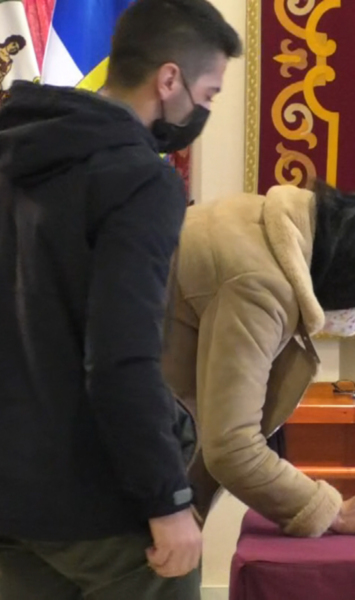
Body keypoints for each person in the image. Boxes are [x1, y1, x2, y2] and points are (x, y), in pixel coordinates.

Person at [0, 1, 241, 598]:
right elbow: (119, 357)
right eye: (208, 92)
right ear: (169, 79)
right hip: (100, 506)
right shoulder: (139, 177)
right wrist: (168, 501)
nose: (204, 108)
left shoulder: (11, 153)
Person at [161, 180, 355, 537]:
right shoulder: (261, 284)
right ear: (348, 280)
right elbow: (231, 447)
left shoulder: (258, 221)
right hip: (117, 471)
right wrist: (332, 510)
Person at [0, 34, 27, 105]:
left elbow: (2, 77)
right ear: (9, 41)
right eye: (14, 44)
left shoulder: (9, 62)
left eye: (16, 48)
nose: (13, 48)